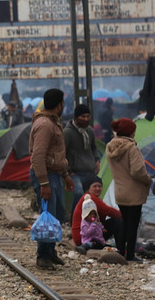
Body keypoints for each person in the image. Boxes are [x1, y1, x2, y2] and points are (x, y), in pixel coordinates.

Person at [28, 88, 74, 269]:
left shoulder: (54, 123)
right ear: (59, 104)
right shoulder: (46, 125)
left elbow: (55, 154)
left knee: (56, 215)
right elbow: (38, 157)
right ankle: (43, 256)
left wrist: (65, 175)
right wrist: (44, 183)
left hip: (54, 174)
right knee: (47, 215)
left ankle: (51, 251)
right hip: (45, 175)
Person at [105, 118, 151, 262]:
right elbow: (137, 170)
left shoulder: (110, 146)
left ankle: (120, 251)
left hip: (119, 191)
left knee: (125, 221)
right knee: (133, 223)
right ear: (131, 131)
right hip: (134, 192)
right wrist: (148, 179)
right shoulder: (131, 147)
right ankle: (130, 255)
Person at [64, 103, 100, 218]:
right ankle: (74, 218)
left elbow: (93, 148)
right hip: (75, 172)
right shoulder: (68, 132)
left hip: (89, 170)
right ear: (76, 117)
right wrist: (68, 170)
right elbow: (62, 152)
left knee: (95, 192)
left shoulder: (89, 131)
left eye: (87, 117)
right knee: (79, 193)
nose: (86, 119)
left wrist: (97, 160)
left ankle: (91, 219)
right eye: (83, 117)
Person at [71, 178, 124, 255]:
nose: (98, 188)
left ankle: (119, 247)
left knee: (116, 221)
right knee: (117, 221)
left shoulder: (91, 198)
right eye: (95, 186)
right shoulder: (91, 199)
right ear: (88, 189)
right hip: (84, 235)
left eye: (99, 186)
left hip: (86, 233)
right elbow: (110, 211)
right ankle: (121, 248)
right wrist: (126, 215)